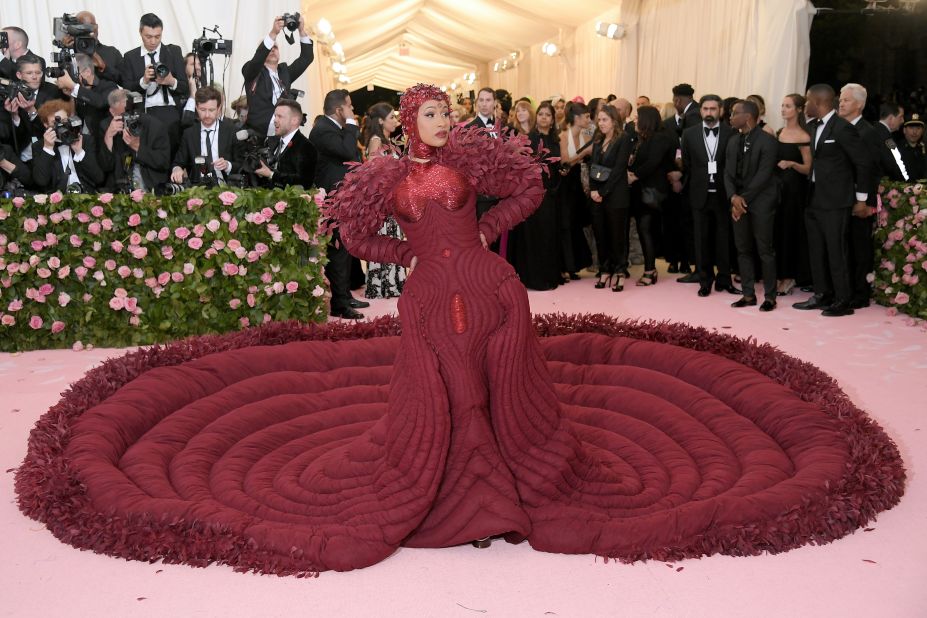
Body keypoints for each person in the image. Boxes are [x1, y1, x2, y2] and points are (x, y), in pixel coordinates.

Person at [793, 84, 871, 317]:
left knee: (836, 251)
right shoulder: (810, 126)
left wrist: (861, 199)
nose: (805, 105)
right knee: (816, 250)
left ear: (819, 102)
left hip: (837, 201)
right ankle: (822, 294)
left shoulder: (842, 128)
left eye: (807, 101)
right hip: (814, 197)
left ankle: (843, 300)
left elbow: (863, 163)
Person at [309, 88, 368, 320]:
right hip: (332, 198)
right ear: (338, 109)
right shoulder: (323, 129)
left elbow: (351, 153)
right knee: (337, 251)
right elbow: (346, 151)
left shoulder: (335, 129)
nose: (353, 110)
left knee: (344, 250)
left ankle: (344, 296)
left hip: (342, 197)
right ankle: (339, 303)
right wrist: (353, 124)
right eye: (350, 106)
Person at [725, 99, 780, 311]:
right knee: (742, 249)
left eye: (734, 113)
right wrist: (732, 198)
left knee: (765, 250)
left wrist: (741, 199)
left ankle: (770, 297)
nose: (730, 117)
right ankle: (748, 295)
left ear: (747, 117)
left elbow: (764, 176)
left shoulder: (768, 142)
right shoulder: (732, 141)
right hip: (738, 201)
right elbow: (727, 173)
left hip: (762, 202)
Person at [681, 94, 738, 297]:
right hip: (699, 194)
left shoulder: (732, 134)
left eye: (713, 109)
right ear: (700, 111)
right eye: (705, 109)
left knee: (724, 239)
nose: (709, 113)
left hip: (724, 195)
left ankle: (725, 280)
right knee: (701, 239)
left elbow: (734, 166)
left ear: (721, 110)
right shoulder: (689, 134)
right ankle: (705, 281)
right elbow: (687, 164)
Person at [508, 100, 562, 291]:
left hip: (552, 194)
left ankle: (550, 274)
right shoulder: (530, 138)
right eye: (541, 114)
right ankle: (534, 277)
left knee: (549, 234)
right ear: (536, 117)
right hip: (533, 193)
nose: (544, 118)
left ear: (553, 119)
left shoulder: (556, 140)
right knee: (535, 235)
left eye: (548, 115)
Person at [838, 83, 884, 309]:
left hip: (860, 201)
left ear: (859, 105)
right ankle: (846, 290)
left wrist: (862, 200)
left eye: (846, 100)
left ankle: (860, 294)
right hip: (842, 199)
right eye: (840, 99)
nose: (841, 103)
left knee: (860, 247)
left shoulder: (868, 132)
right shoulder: (840, 128)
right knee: (845, 246)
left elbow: (869, 169)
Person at [120, 13, 188, 157]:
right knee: (149, 153)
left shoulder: (173, 52)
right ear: (140, 33)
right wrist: (143, 81)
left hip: (169, 109)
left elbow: (184, 87)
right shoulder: (130, 57)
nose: (153, 41)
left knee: (171, 148)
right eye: (148, 36)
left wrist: (171, 81)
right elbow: (126, 89)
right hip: (145, 110)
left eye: (157, 37)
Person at [242, 14, 314, 138]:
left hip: (284, 132)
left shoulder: (284, 72)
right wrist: (273, 33)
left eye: (275, 47)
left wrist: (301, 30)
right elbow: (257, 59)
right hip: (261, 133)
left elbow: (306, 58)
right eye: (269, 47)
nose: (272, 49)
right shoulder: (252, 70)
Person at [628, 105, 677, 286]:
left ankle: (650, 270)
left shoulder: (660, 139)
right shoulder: (641, 138)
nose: (634, 120)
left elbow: (652, 163)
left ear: (646, 120)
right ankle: (650, 268)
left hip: (652, 192)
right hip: (640, 191)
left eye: (637, 117)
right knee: (643, 230)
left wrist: (633, 175)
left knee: (646, 229)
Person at [360, 102, 405, 299]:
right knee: (384, 238)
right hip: (381, 200)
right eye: (392, 118)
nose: (396, 121)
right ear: (380, 121)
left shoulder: (389, 140)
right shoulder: (376, 140)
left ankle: (394, 282)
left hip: (393, 197)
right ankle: (382, 284)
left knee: (393, 238)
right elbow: (370, 172)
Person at [588, 105, 633, 291]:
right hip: (597, 195)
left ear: (614, 121)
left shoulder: (623, 139)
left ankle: (620, 272)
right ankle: (605, 270)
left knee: (617, 237)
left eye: (604, 119)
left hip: (616, 196)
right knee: (601, 235)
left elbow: (619, 169)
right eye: (599, 120)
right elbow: (593, 166)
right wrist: (592, 190)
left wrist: (602, 192)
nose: (601, 123)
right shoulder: (598, 139)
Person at [774, 94, 813, 297]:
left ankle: (789, 276)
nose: (783, 109)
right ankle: (779, 273)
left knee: (790, 230)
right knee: (778, 230)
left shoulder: (804, 136)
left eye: (788, 106)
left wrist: (792, 164)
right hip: (778, 190)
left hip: (795, 192)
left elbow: (809, 168)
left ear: (798, 110)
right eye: (782, 105)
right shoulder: (779, 132)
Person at [98, 88, 171, 193]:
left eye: (131, 113)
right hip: (120, 189)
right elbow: (106, 167)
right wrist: (108, 137)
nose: (130, 118)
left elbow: (163, 162)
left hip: (150, 188)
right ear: (112, 112)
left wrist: (137, 147)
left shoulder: (155, 126)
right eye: (123, 115)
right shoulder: (107, 127)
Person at [171, 86, 241, 187]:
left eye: (211, 110)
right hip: (198, 187)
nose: (207, 115)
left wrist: (227, 165)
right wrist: (177, 169)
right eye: (202, 110)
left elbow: (241, 163)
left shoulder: (231, 131)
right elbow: (178, 161)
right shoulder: (189, 134)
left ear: (219, 108)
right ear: (196, 107)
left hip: (226, 185)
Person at [665, 83, 700, 279]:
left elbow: (690, 152)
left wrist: (681, 172)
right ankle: (676, 259)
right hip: (676, 176)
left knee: (689, 224)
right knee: (675, 221)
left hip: (689, 178)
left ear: (677, 100)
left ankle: (692, 263)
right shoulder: (669, 123)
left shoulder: (693, 116)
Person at [30, 99, 103, 193]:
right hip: (57, 199)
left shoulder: (85, 140)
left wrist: (79, 152)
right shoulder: (39, 146)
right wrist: (48, 149)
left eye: (64, 120)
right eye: (55, 123)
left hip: (86, 194)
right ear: (46, 125)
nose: (61, 126)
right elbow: (41, 181)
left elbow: (98, 178)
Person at [557, 102, 594, 281]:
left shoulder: (586, 135)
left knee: (577, 223)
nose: (589, 119)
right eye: (586, 116)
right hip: (565, 184)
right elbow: (565, 161)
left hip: (578, 183)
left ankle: (575, 265)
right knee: (566, 223)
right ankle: (565, 264)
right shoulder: (564, 136)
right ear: (577, 118)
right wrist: (583, 153)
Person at [254, 98, 316, 189]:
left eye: (280, 116)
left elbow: (304, 182)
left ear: (294, 120)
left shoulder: (306, 147)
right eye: (275, 116)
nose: (275, 120)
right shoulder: (272, 142)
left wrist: (271, 174)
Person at [898, 113, 926, 181]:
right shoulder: (897, 149)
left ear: (922, 131)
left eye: (918, 128)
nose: (915, 132)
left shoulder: (924, 148)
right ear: (904, 130)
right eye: (911, 128)